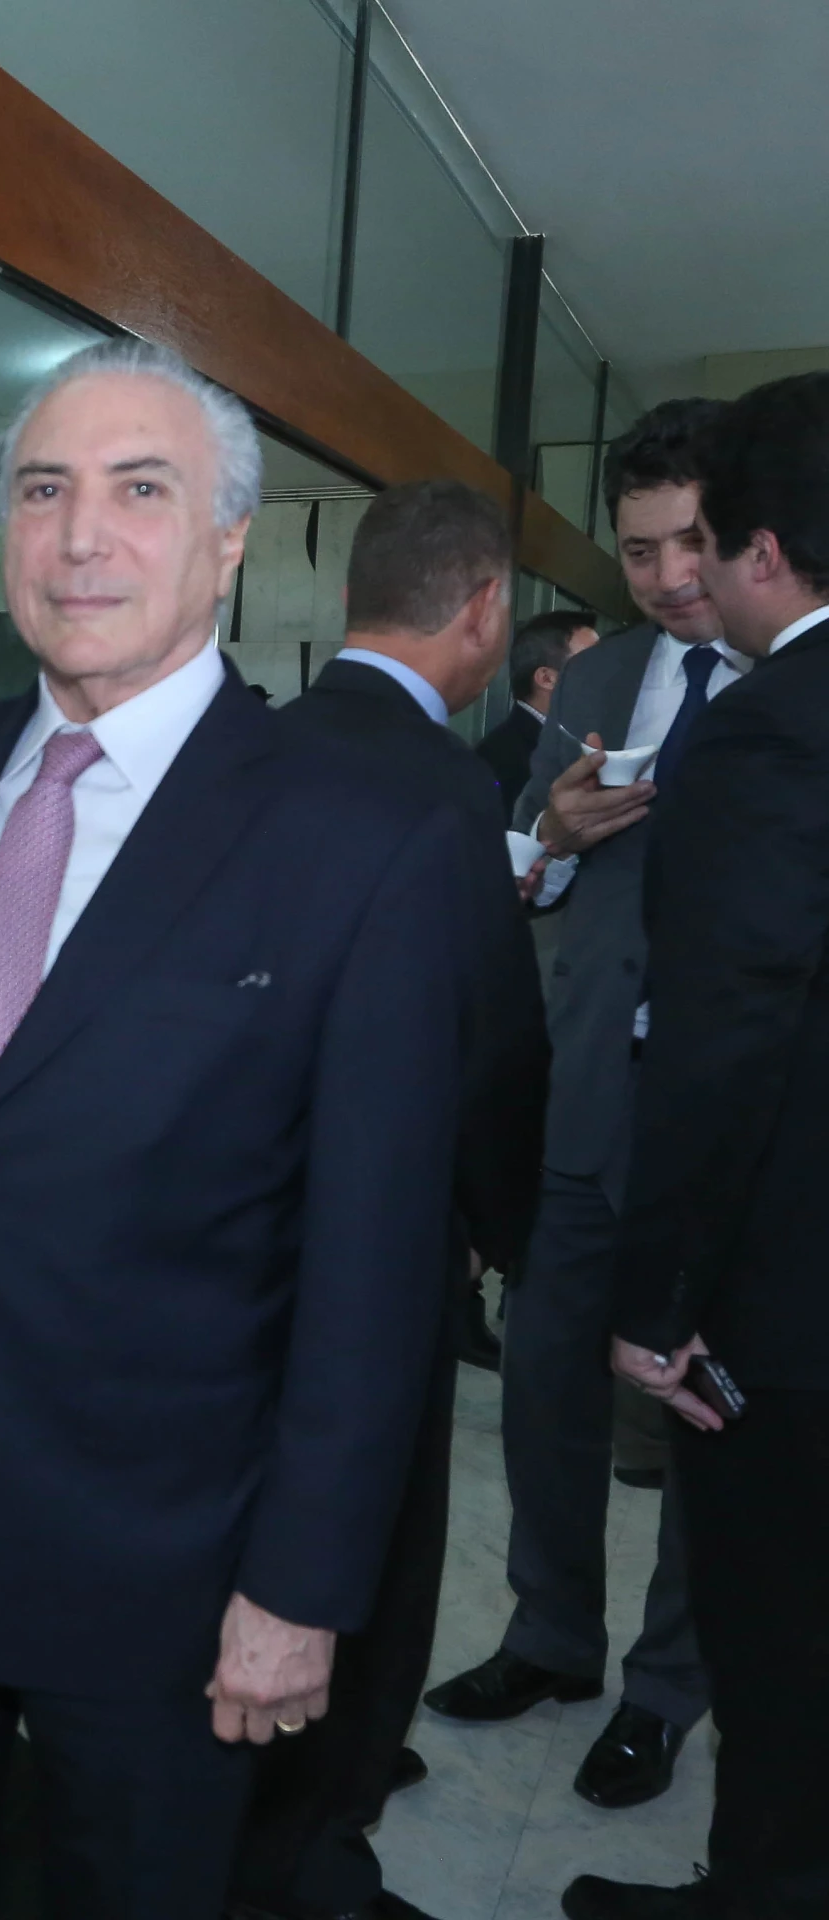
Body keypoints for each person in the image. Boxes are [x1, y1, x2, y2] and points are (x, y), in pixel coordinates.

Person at [0, 337, 467, 1920]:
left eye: (139, 490)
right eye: (44, 491)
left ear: (229, 543)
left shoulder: (360, 838)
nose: (80, 536)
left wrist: (303, 1592)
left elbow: (377, 1271)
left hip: (170, 1589)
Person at [228, 481, 548, 1920]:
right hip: (386, 1249)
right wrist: (516, 1232)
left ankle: (263, 1777)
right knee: (380, 1539)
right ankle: (327, 1822)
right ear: (480, 610)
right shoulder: (445, 790)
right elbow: (491, 1054)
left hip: (234, 1247)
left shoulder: (252, 755)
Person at [424, 401, 740, 1810]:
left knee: (694, 1417)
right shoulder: (598, 680)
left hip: (725, 1118)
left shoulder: (799, 678)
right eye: (640, 549)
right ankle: (552, 1636)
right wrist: (549, 835)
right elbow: (532, 884)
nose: (671, 576)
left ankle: (671, 1692)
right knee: (544, 1383)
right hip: (580, 1095)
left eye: (693, 542)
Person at [567, 372, 829, 1920]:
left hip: (791, 1302)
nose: (688, 581)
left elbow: (727, 1048)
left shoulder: (768, 737)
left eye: (709, 545)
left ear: (767, 552)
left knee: (777, 1629)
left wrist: (657, 1302)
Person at [475, 609, 599, 824]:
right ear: (547, 678)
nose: (606, 676)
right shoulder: (503, 758)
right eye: (592, 665)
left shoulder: (564, 740)